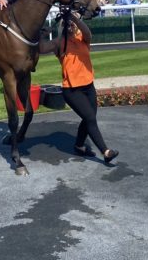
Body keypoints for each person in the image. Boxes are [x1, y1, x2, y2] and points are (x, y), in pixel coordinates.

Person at [39, 12, 118, 164]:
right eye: (66, 24)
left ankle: (79, 145)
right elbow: (41, 48)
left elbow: (87, 32)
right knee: (89, 118)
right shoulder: (59, 42)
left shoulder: (83, 38)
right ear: (62, 27)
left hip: (88, 85)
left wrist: (74, 18)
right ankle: (105, 151)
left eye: (72, 24)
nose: (70, 26)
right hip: (72, 90)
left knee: (89, 118)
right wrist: (41, 34)